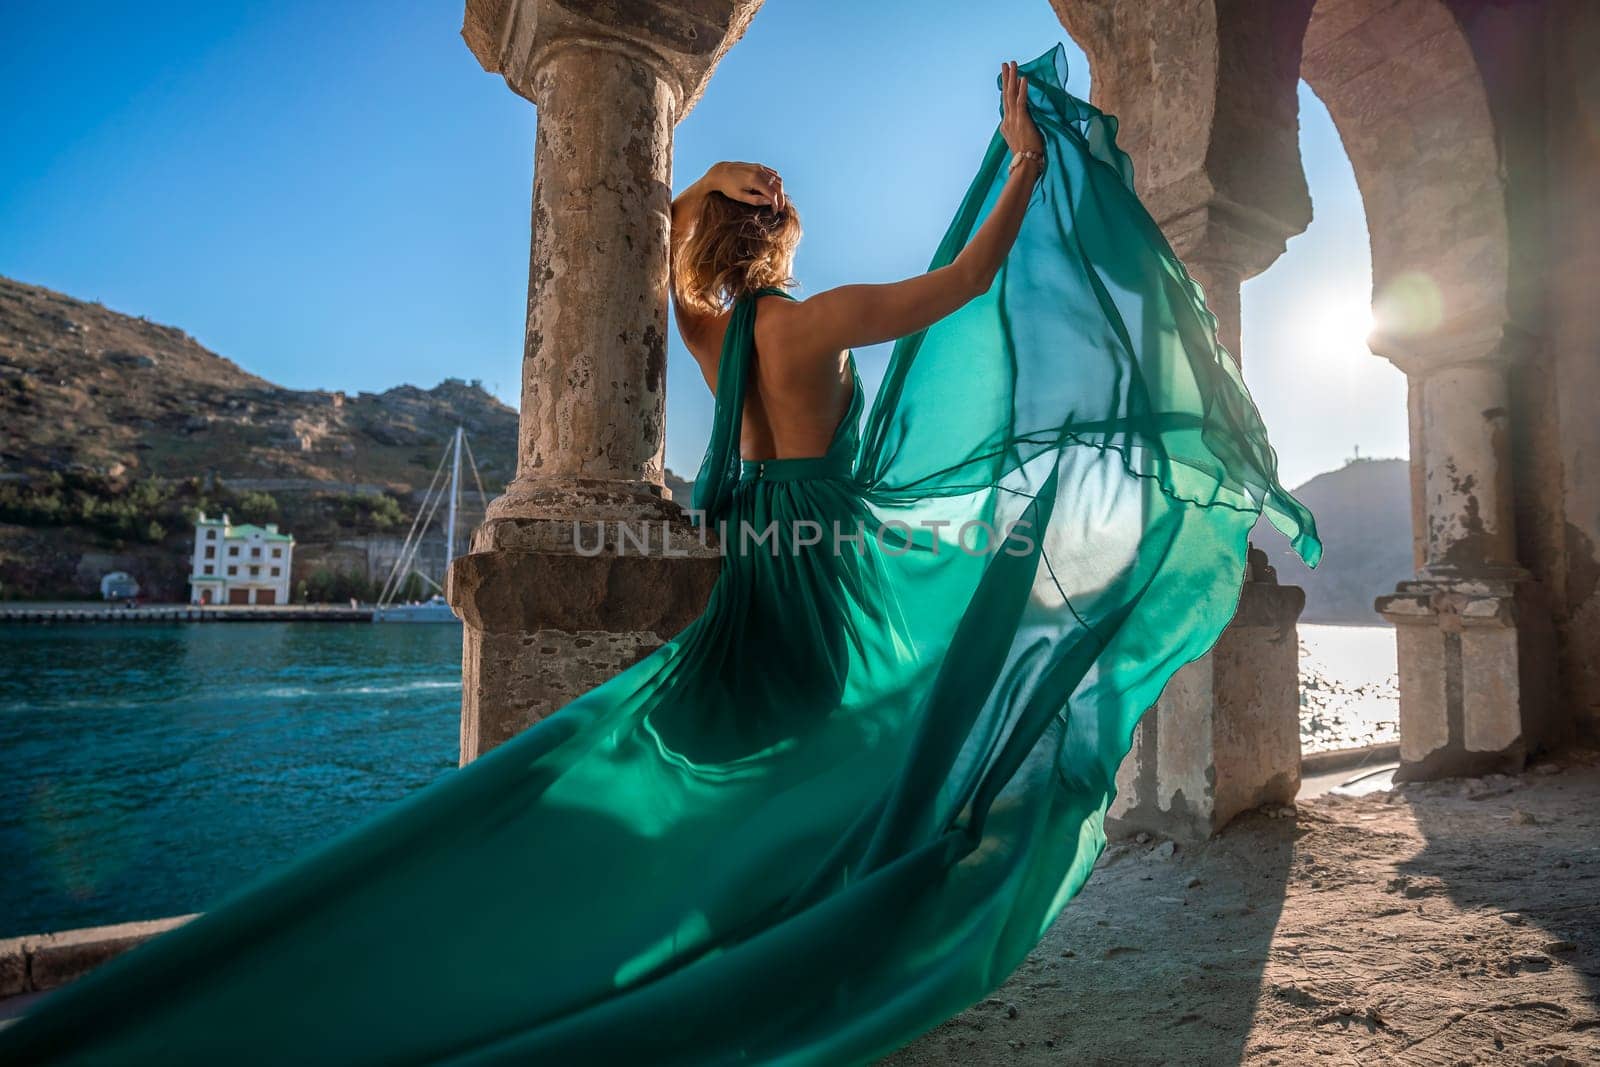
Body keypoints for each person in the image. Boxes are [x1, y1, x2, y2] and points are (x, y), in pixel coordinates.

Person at [0, 48, 1318, 1065]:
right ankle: (815, 933)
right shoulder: (809, 323)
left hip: (760, 578)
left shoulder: (715, 339)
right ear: (777, 244)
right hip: (833, 576)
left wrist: (721, 189)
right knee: (892, 739)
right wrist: (1023, 163)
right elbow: (969, 284)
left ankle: (721, 912)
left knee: (769, 769)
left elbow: (680, 237)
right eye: (780, 207)